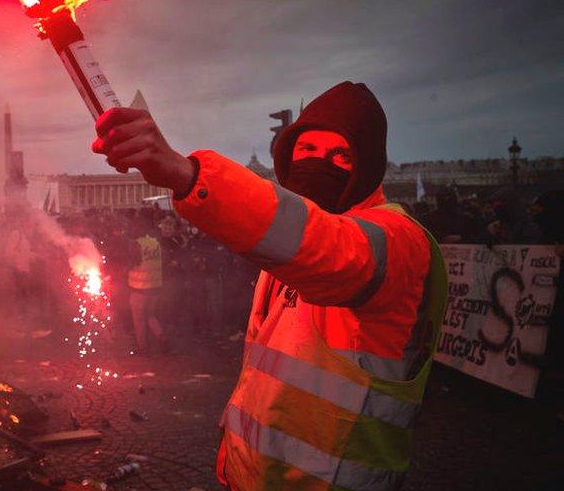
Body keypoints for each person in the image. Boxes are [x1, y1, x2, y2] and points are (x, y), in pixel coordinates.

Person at [92, 81, 448, 490]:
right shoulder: (282, 252)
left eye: (341, 155)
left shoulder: (399, 241)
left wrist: (186, 174)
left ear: (367, 167)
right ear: (288, 155)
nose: (320, 163)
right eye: (308, 150)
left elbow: (327, 246)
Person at [127, 215, 168, 354]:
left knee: (139, 320)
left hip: (139, 288)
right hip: (155, 287)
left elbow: (131, 263)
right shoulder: (155, 243)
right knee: (150, 315)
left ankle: (143, 348)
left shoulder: (136, 244)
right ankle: (162, 338)